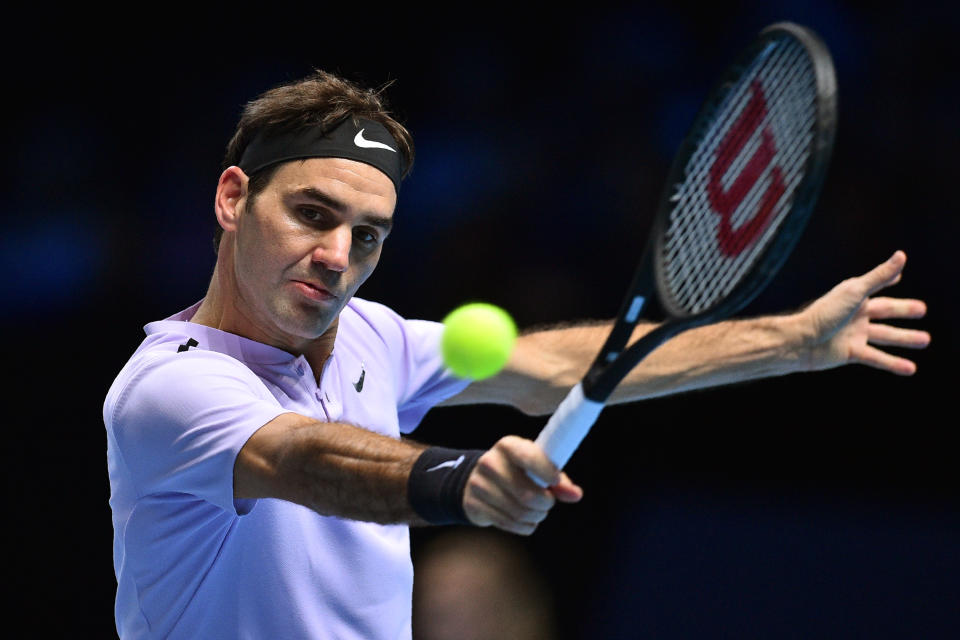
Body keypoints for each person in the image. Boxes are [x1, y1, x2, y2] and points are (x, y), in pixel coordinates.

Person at [103, 70, 929, 639]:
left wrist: (791, 341)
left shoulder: (371, 337)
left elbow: (559, 367)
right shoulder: (171, 386)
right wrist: (459, 481)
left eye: (367, 236)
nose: (337, 255)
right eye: (313, 215)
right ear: (233, 197)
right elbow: (304, 459)